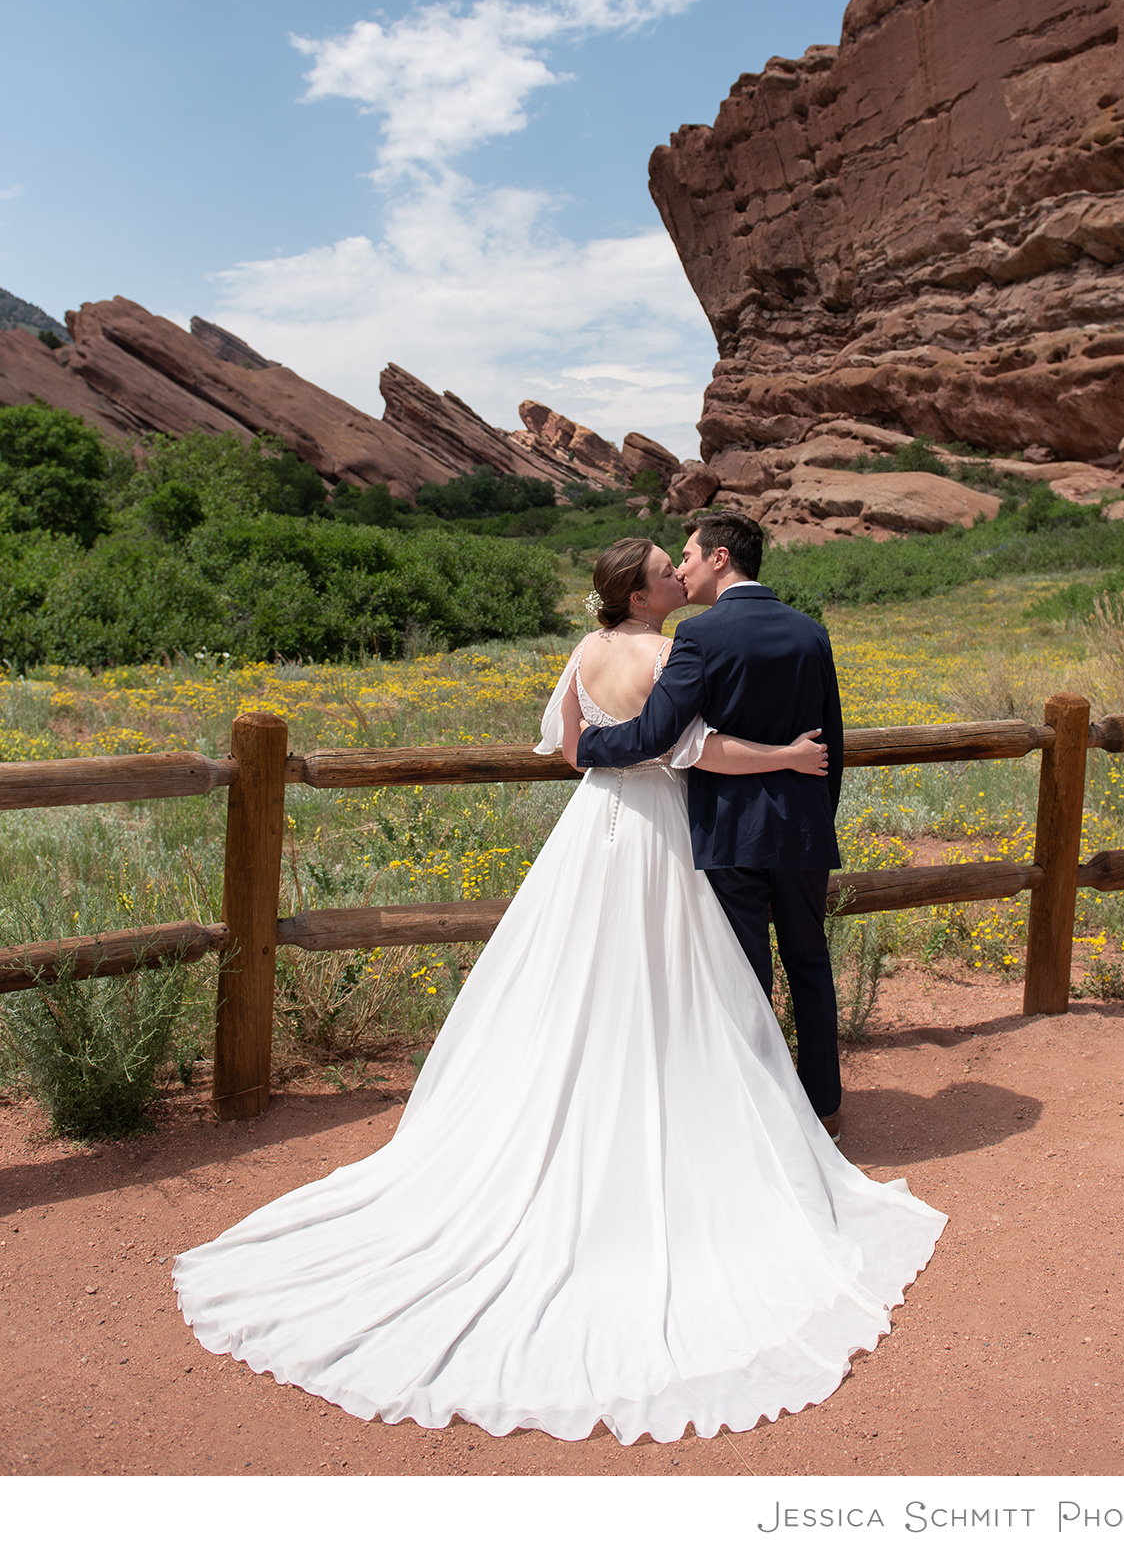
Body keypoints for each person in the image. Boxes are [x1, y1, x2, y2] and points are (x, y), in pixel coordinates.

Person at [172, 534, 945, 1445]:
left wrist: (613, 757)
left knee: (574, 979)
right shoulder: (673, 651)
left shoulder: (586, 652)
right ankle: (740, 1112)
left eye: (682, 561)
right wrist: (786, 763)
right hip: (664, 829)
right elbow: (694, 750)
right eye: (667, 569)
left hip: (596, 832)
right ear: (645, 591)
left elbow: (571, 749)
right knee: (692, 985)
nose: (678, 575)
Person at [576, 510, 846, 1136]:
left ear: (721, 558)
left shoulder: (701, 638)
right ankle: (824, 1107)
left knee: (746, 972)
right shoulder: (811, 632)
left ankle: (763, 1114)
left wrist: (588, 748)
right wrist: (814, 815)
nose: (685, 567)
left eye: (690, 557)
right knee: (809, 959)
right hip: (802, 828)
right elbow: (833, 741)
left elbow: (658, 735)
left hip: (730, 829)